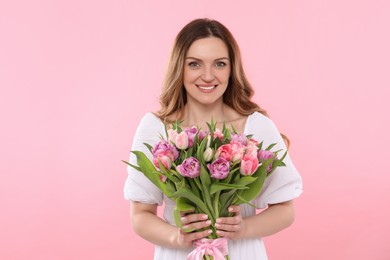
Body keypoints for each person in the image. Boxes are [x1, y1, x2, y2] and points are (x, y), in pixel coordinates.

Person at [124, 18, 303, 259]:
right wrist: (177, 237)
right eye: (195, 64)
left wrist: (244, 229)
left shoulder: (256, 126)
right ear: (180, 67)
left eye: (219, 64)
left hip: (241, 253)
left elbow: (285, 210)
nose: (208, 76)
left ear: (231, 68)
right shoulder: (156, 128)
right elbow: (140, 215)